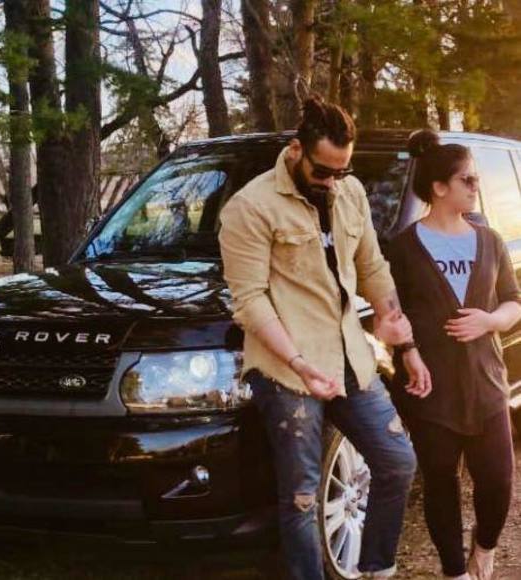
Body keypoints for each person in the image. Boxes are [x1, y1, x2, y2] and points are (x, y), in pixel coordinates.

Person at [218, 96, 430, 580]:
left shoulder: (350, 192)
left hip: (350, 356)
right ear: (296, 150)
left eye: (342, 170)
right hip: (287, 369)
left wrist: (399, 334)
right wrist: (299, 364)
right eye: (323, 171)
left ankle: (376, 569)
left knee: (397, 461)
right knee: (301, 495)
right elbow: (250, 301)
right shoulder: (250, 207)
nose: (333, 181)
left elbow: (372, 266)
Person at [387, 129, 521, 580]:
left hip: (486, 383)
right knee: (440, 483)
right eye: (468, 179)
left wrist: (490, 320)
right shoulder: (405, 248)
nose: (475, 186)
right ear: (439, 187)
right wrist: (407, 350)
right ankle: (453, 571)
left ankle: (484, 548)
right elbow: (391, 313)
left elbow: (514, 302)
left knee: (498, 480)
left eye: (476, 179)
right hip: (432, 390)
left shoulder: (490, 241)